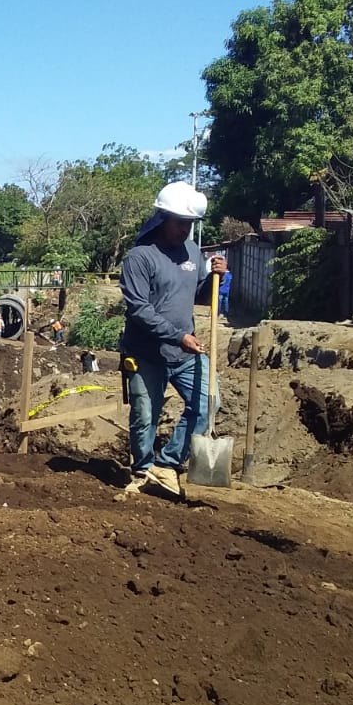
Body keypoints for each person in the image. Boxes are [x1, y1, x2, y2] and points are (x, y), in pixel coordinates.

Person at [119, 181, 226, 498]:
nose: (185, 229)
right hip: (147, 353)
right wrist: (178, 336)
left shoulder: (192, 252)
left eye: (190, 224)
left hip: (185, 352)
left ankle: (167, 464)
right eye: (180, 223)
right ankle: (142, 471)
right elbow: (139, 310)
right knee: (145, 416)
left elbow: (200, 296)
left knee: (208, 402)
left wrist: (218, 276)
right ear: (163, 217)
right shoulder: (140, 258)